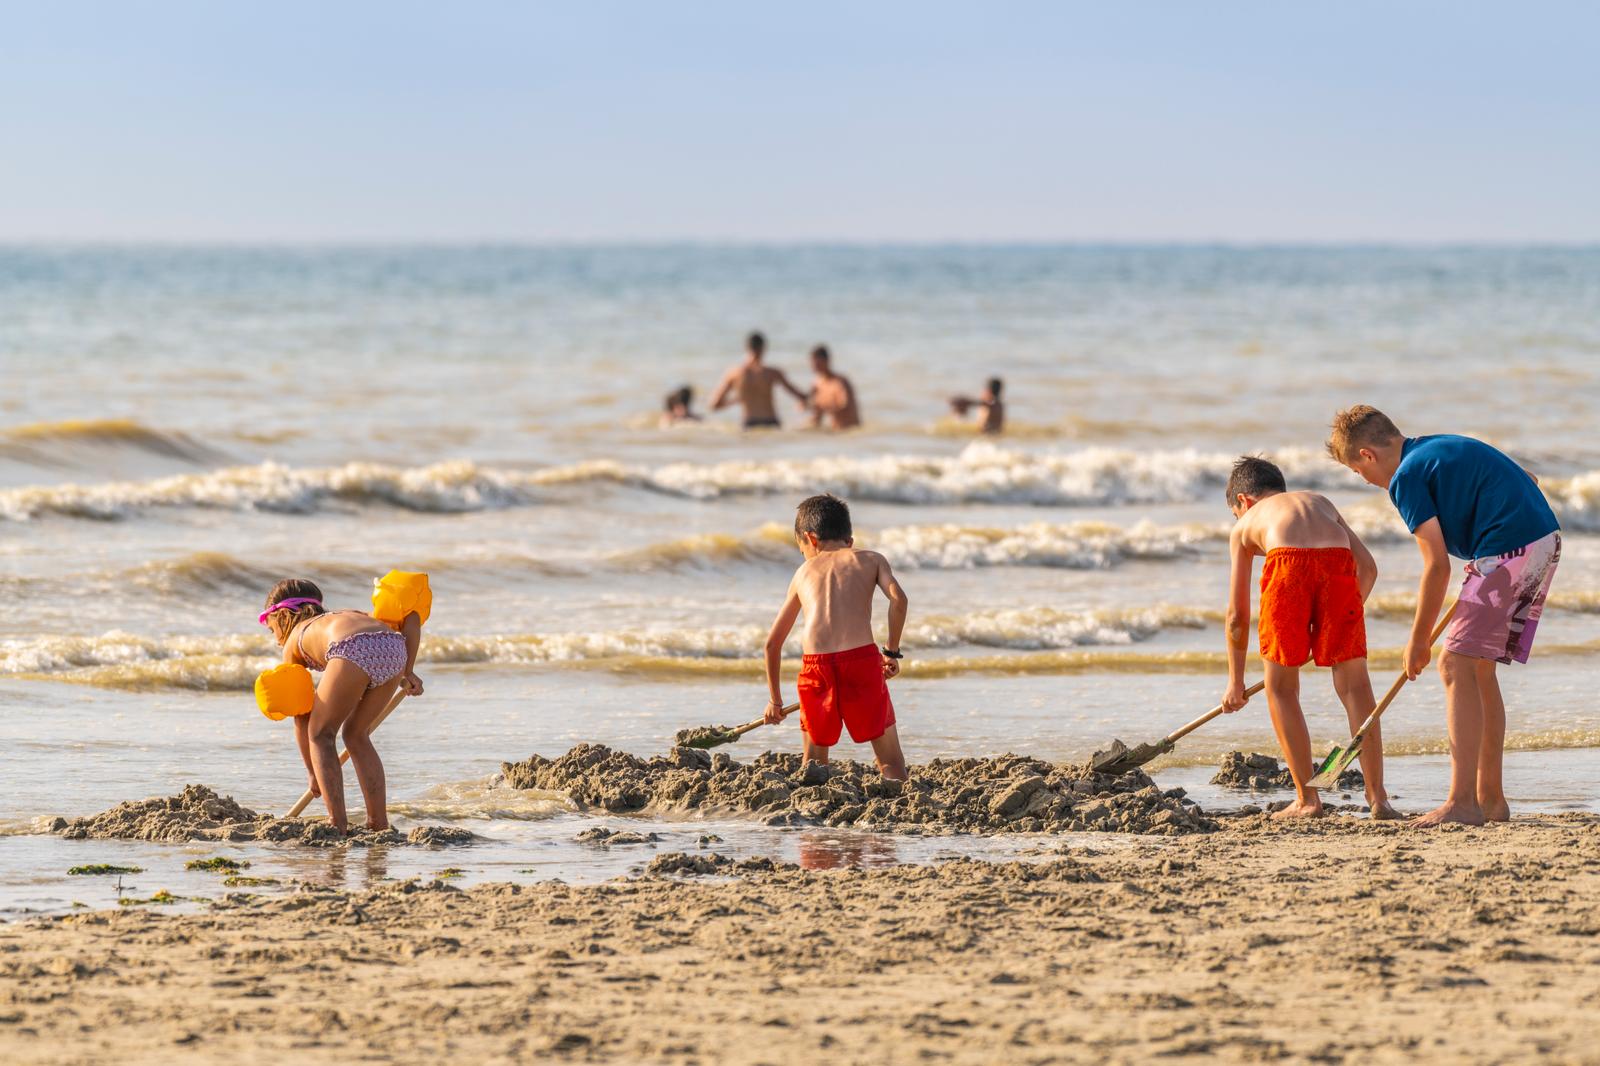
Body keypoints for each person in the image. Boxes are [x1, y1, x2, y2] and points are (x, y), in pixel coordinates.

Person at [1328, 406, 1560, 828]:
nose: (1365, 481)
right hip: (1541, 540)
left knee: (1452, 664)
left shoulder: (1405, 478)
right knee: (1479, 671)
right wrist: (1484, 547)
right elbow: (1527, 479)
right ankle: (1490, 800)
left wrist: (1417, 640)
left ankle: (1462, 803)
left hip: (1510, 550)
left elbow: (1436, 565)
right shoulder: (1436, 448)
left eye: (1358, 472)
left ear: (1367, 455)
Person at [1220, 456, 1394, 820]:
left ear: (1244, 503)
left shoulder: (1246, 523)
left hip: (1287, 566)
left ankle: (1307, 799)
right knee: (1356, 689)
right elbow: (1369, 568)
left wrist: (1235, 681)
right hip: (1338, 566)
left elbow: (1237, 615)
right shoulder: (1320, 502)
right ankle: (1378, 798)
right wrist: (1334, 624)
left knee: (1281, 689)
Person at [762, 494, 909, 779]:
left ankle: (812, 807)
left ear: (811, 539)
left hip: (816, 668)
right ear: (849, 541)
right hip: (862, 662)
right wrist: (890, 653)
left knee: (814, 765)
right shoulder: (870, 559)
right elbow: (899, 600)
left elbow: (772, 644)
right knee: (890, 761)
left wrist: (775, 702)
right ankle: (896, 792)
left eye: (801, 549)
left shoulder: (803, 572)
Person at [260, 579, 423, 833]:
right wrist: (408, 670)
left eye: (272, 630)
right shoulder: (350, 615)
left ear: (282, 615)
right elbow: (411, 617)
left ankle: (338, 823)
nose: (276, 639)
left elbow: (301, 715)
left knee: (321, 735)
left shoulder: (295, 638)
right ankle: (378, 823)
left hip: (351, 648)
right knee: (356, 735)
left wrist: (313, 771)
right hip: (393, 647)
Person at [709, 331, 808, 430]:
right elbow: (799, 395)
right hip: (771, 422)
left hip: (749, 423)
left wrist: (735, 400)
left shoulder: (735, 374)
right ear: (764, 348)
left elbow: (714, 405)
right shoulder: (772, 373)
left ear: (746, 348)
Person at [804, 345, 861, 430]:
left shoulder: (840, 382)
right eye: (812, 362)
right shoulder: (817, 384)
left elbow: (845, 406)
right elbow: (816, 414)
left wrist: (820, 406)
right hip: (834, 431)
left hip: (849, 430)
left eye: (817, 362)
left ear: (827, 361)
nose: (814, 365)